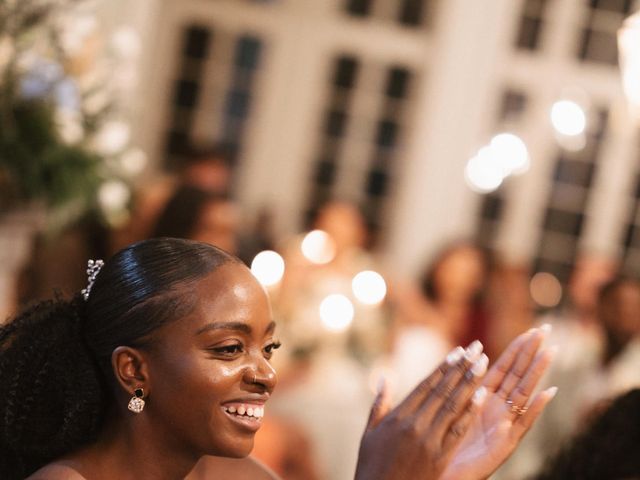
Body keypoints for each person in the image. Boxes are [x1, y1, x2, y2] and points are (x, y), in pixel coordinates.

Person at [0, 238, 555, 479]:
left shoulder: (239, 475)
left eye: (268, 348)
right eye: (228, 348)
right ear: (134, 370)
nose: (265, 374)